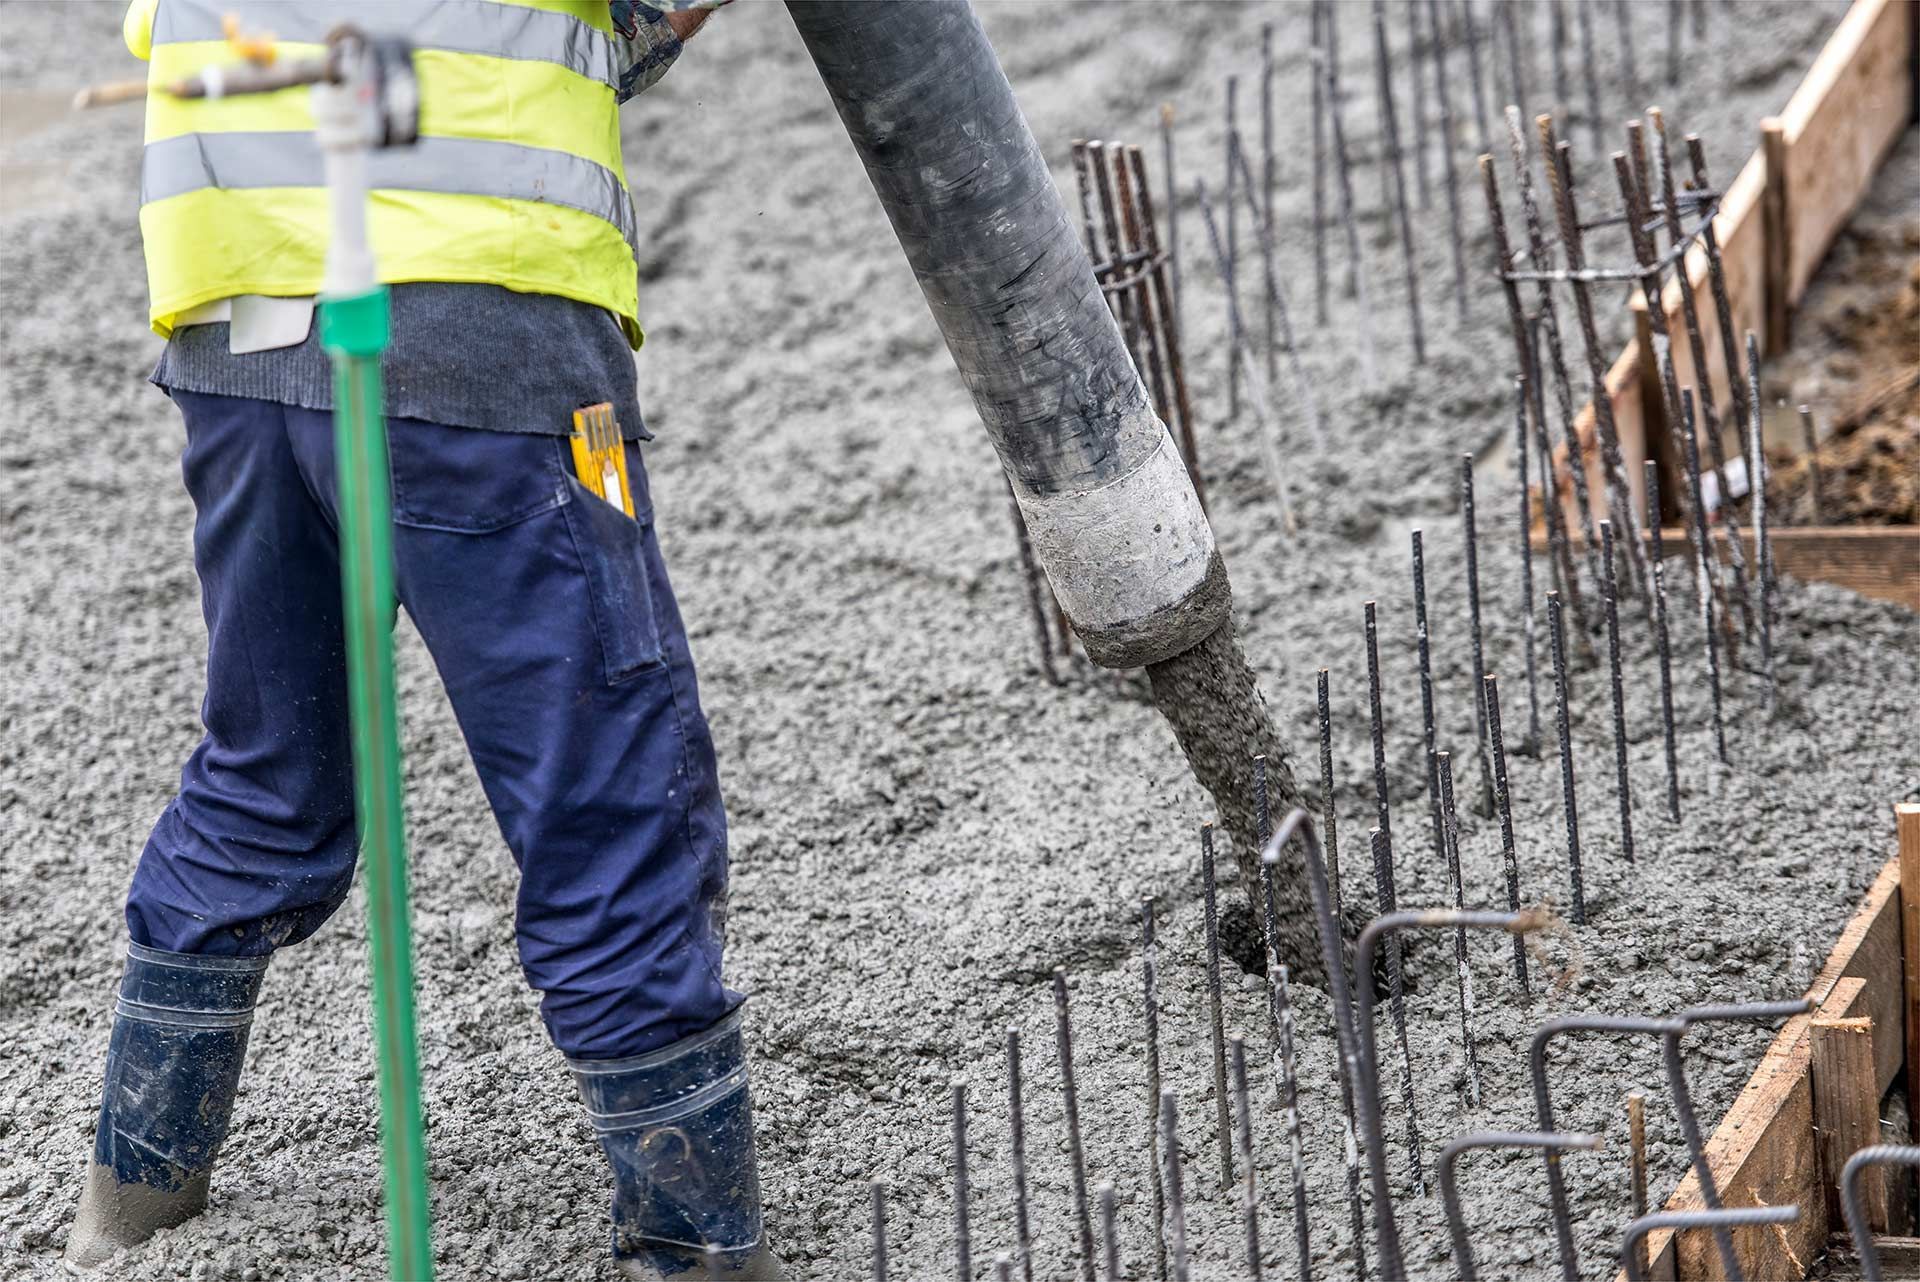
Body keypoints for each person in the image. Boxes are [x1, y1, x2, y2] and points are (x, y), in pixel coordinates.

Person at [65, 2, 782, 1278]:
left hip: (232, 322)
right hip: (479, 320)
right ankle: (700, 1244)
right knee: (611, 791)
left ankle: (131, 1200)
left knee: (266, 773)